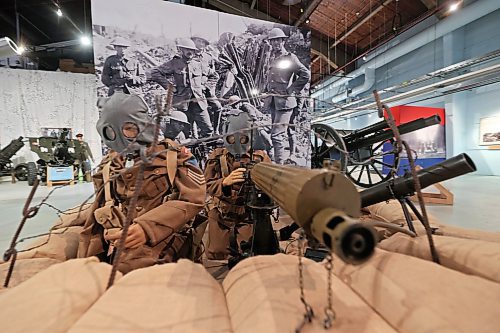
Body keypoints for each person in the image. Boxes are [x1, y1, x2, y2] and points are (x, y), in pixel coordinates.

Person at [77, 92, 206, 274]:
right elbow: (101, 204)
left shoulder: (174, 157)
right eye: (112, 131)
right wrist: (105, 232)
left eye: (129, 128)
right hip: (118, 239)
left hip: (164, 240)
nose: (123, 137)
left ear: (144, 125)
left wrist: (146, 229)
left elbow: (193, 199)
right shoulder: (108, 165)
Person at [204, 112, 271, 260]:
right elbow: (206, 184)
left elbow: (273, 185)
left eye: (243, 137)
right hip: (222, 214)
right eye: (233, 137)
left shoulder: (260, 157)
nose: (237, 142)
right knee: (217, 254)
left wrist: (259, 183)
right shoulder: (216, 156)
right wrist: (224, 183)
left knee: (250, 254)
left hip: (248, 215)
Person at [262, 27, 310, 164]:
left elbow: (305, 74)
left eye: (278, 40)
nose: (275, 43)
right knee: (277, 133)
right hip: (273, 101)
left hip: (285, 103)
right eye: (273, 41)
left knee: (277, 135)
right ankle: (279, 160)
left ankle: (279, 167)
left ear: (283, 41)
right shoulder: (272, 58)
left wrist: (291, 90)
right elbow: (270, 79)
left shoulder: (290, 57)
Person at [150, 38, 215, 138]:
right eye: (187, 49)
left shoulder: (199, 64)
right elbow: (155, 72)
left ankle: (204, 151)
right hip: (182, 104)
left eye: (192, 50)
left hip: (199, 102)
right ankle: (187, 152)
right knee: (185, 131)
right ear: (181, 50)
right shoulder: (174, 63)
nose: (190, 52)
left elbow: (214, 75)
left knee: (208, 129)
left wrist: (205, 87)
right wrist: (169, 87)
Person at [192, 36, 223, 135]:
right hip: (194, 90)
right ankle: (195, 133)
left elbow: (214, 73)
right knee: (193, 110)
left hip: (206, 89)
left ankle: (216, 131)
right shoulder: (188, 56)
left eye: (203, 42)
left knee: (218, 107)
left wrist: (207, 86)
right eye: (198, 41)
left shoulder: (208, 57)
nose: (201, 44)